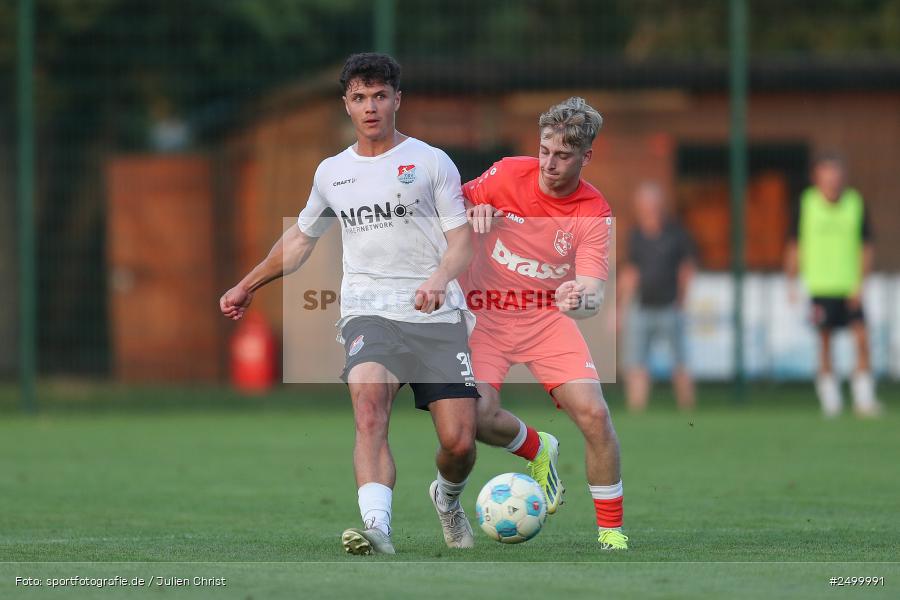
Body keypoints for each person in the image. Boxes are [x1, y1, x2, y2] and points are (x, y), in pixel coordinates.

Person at [219, 53, 480, 555]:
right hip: (369, 311)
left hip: (435, 315)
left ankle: (447, 499)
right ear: (347, 104)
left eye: (380, 96)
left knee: (460, 443)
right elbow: (299, 240)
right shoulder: (332, 172)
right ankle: (378, 528)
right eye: (359, 98)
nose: (370, 107)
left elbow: (461, 242)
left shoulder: (431, 162)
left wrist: (439, 278)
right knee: (368, 410)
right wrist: (247, 284)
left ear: (397, 99)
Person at [462, 97, 628, 550]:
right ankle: (537, 448)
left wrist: (579, 297)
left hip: (545, 319)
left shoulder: (593, 212)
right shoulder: (505, 173)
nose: (549, 164)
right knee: (472, 417)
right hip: (486, 313)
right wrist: (471, 214)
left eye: (563, 156)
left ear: (586, 157)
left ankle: (611, 531)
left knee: (595, 415)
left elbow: (591, 291)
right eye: (544, 151)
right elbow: (451, 207)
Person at [785, 152, 882, 418]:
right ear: (816, 177)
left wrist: (861, 282)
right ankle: (831, 400)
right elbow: (795, 244)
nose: (831, 180)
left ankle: (864, 399)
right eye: (826, 174)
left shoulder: (854, 203)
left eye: (836, 174)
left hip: (849, 285)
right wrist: (791, 280)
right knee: (824, 342)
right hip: (820, 286)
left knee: (862, 339)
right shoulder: (805, 204)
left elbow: (866, 246)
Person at [619, 182, 696, 412]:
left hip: (670, 306)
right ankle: (637, 412)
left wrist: (682, 298)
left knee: (680, 363)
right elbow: (630, 274)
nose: (648, 208)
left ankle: (689, 413)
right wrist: (620, 308)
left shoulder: (676, 234)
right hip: (641, 307)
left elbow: (686, 269)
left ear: (660, 205)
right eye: (644, 204)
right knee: (635, 365)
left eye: (652, 203)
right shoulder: (635, 236)